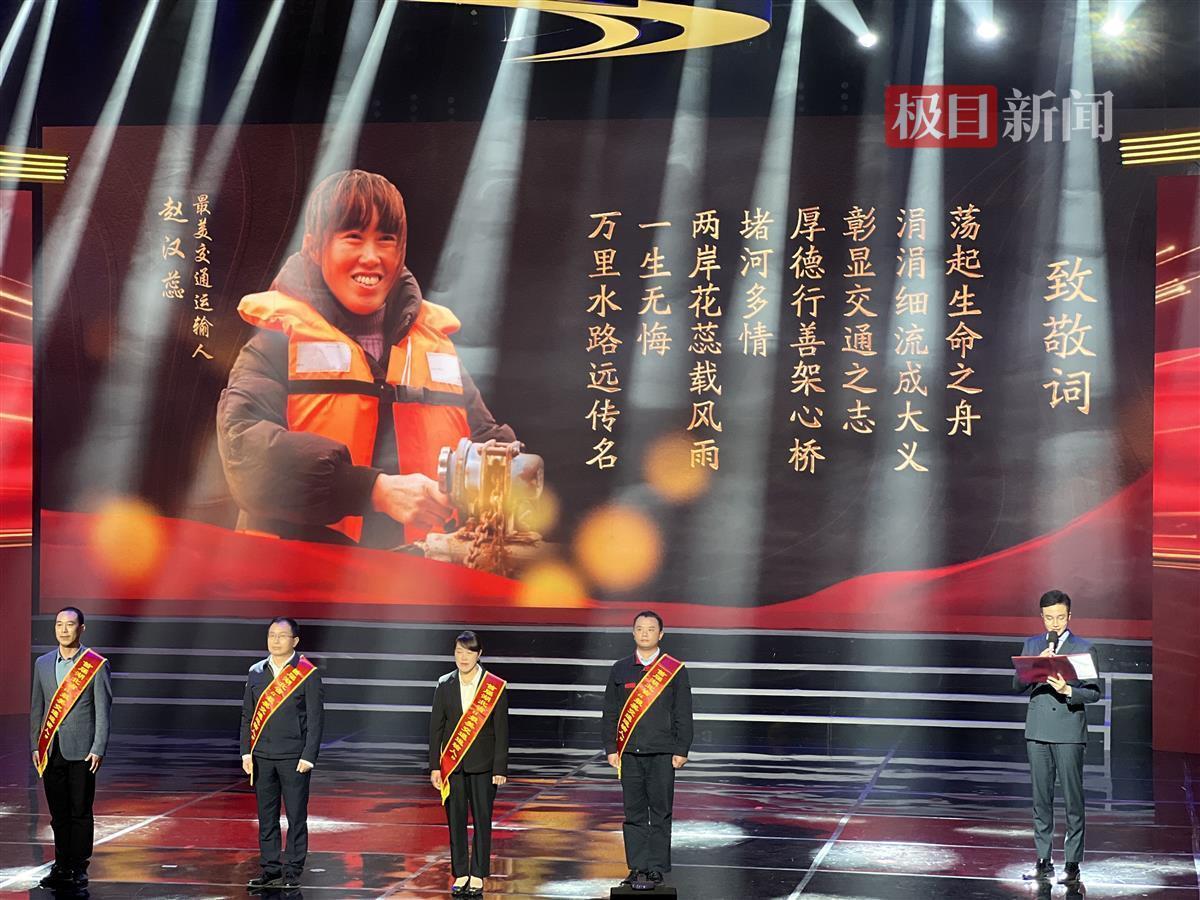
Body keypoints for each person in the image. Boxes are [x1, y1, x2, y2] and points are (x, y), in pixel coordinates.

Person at [217, 168, 516, 549]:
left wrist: (513, 475)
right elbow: (244, 450)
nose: (371, 257)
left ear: (401, 251)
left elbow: (486, 440)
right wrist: (372, 489)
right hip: (301, 570)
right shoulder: (276, 343)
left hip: (417, 575)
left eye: (386, 239)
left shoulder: (436, 347)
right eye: (353, 237)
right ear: (314, 247)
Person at [1014, 589, 1102, 887]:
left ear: (1069, 616)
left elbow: (1094, 692)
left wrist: (1068, 690)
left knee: (1073, 800)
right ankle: (1043, 860)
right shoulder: (1032, 644)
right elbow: (1016, 685)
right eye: (1050, 618)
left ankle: (1073, 863)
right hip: (1038, 730)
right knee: (1041, 799)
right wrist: (1035, 665)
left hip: (1068, 731)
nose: (1055, 623)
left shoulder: (1084, 648)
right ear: (1042, 617)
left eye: (1061, 617)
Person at [601, 610, 693, 890]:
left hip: (663, 753)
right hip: (629, 753)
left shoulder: (674, 670)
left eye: (651, 629)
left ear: (660, 634)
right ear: (633, 632)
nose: (644, 633)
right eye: (640, 628)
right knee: (634, 813)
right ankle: (637, 866)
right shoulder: (620, 669)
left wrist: (681, 748)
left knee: (661, 812)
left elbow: (683, 712)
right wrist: (611, 747)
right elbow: (610, 712)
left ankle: (656, 869)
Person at [29, 607, 113, 892]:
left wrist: (98, 747)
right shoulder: (42, 663)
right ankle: (61, 864)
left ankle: (78, 866)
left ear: (82, 629)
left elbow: (103, 710)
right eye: (59, 624)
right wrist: (35, 744)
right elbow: (37, 708)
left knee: (80, 811)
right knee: (58, 813)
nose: (64, 630)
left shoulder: (95, 664)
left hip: (83, 751)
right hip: (51, 749)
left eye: (70, 624)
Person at [240, 617, 325, 891]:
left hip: (294, 757)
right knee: (266, 816)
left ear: (295, 641)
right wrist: (246, 752)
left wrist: (309, 755)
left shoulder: (307, 673)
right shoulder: (256, 671)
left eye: (282, 635)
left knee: (296, 816)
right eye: (271, 635)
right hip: (261, 756)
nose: (275, 640)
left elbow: (315, 719)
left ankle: (292, 870)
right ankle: (270, 869)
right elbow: (247, 716)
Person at [429, 631, 509, 898]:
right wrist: (435, 766)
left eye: (469, 652)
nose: (463, 658)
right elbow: (436, 728)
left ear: (479, 654)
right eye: (458, 652)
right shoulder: (445, 683)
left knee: (482, 820)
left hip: (484, 765)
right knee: (455, 821)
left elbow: (502, 730)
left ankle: (478, 873)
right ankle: (461, 872)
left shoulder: (493, 686)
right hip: (453, 766)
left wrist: (500, 768)